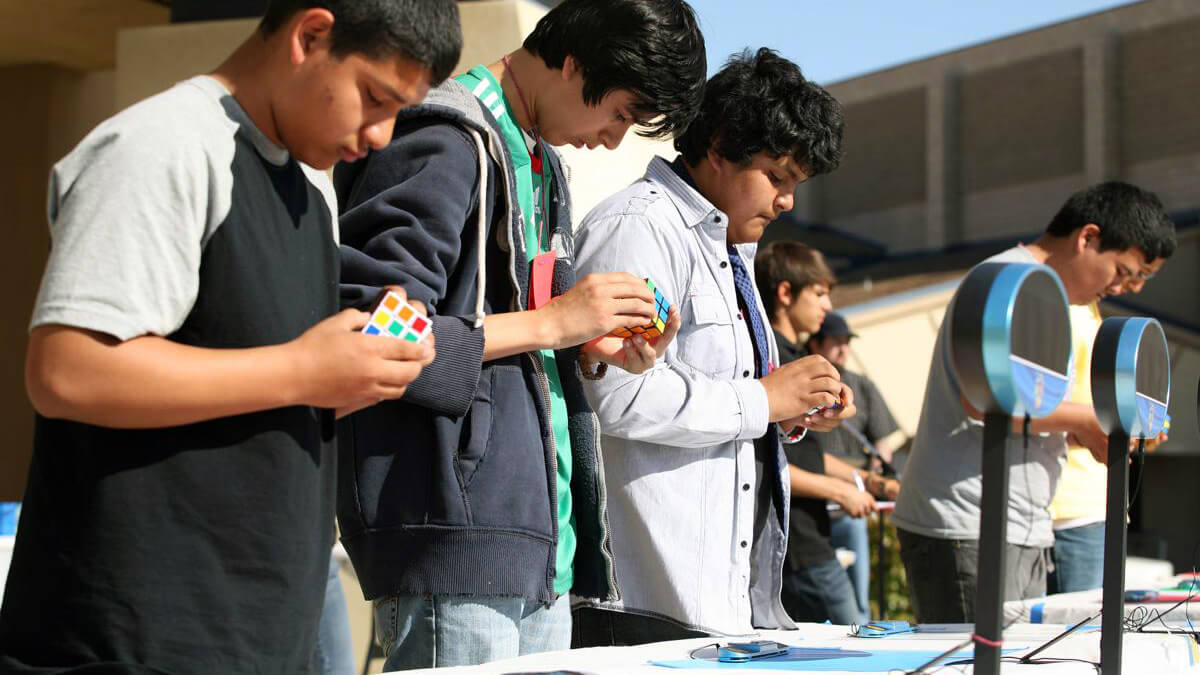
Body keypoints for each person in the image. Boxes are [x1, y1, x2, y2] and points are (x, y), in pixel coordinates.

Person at [0, 1, 457, 672]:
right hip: (132, 641)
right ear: (311, 35)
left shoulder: (311, 188)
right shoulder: (163, 145)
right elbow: (67, 370)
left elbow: (252, 383)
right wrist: (303, 371)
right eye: (374, 97)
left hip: (259, 637)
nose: (383, 134)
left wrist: (352, 373)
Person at [333, 0, 706, 669]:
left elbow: (518, 334)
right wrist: (556, 321)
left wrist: (591, 352)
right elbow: (370, 322)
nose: (615, 139)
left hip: (536, 546)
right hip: (453, 540)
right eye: (620, 112)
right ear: (574, 63)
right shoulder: (445, 137)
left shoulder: (540, 160)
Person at [570, 48, 850, 644]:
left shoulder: (729, 250)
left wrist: (790, 409)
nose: (787, 202)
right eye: (777, 177)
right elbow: (617, 396)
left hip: (721, 600)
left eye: (795, 184)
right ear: (719, 146)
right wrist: (763, 401)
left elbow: (730, 397)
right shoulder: (639, 228)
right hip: (653, 598)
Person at [893, 181, 1171, 623]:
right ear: (1088, 238)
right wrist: (1092, 419)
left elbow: (1028, 410)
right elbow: (983, 399)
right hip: (970, 523)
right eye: (1120, 271)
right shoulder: (1009, 279)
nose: (1124, 288)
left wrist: (1085, 431)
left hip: (1016, 525)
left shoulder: (1047, 294)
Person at [756, 245, 899, 626]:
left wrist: (872, 482)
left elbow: (804, 451)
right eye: (819, 293)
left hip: (809, 541)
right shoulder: (773, 358)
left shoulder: (796, 355)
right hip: (797, 548)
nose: (827, 305)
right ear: (785, 294)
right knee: (856, 647)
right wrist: (841, 491)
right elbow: (767, 462)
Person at [1047, 220, 1176, 594]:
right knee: (1070, 640)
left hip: (1090, 502)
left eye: (1143, 277)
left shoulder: (1088, 311)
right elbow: (1035, 407)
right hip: (1068, 507)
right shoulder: (1062, 309)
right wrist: (1096, 427)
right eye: (1130, 272)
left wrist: (1128, 430)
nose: (1131, 286)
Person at [802, 311, 904, 624]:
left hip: (851, 505)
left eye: (847, 342)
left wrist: (874, 480)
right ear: (816, 342)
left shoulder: (860, 384)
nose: (844, 349)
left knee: (856, 608)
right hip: (808, 505)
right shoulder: (798, 378)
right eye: (836, 342)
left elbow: (883, 444)